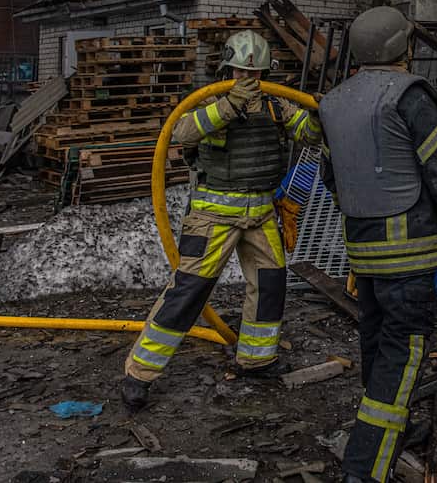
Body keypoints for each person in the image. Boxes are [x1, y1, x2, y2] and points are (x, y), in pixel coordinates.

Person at [317, 6, 437, 483]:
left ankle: (389, 427)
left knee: (376, 341)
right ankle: (365, 466)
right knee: (403, 350)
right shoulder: (409, 96)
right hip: (408, 256)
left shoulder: (333, 101)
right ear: (403, 47)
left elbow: (331, 175)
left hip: (362, 251)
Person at [121, 30, 321, 412]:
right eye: (241, 71)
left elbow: (309, 135)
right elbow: (181, 132)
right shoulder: (210, 101)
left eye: (257, 73)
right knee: (189, 291)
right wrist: (230, 105)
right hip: (212, 216)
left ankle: (257, 358)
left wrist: (317, 113)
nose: (249, 79)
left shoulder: (278, 105)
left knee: (270, 284)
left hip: (261, 212)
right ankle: (140, 373)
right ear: (226, 68)